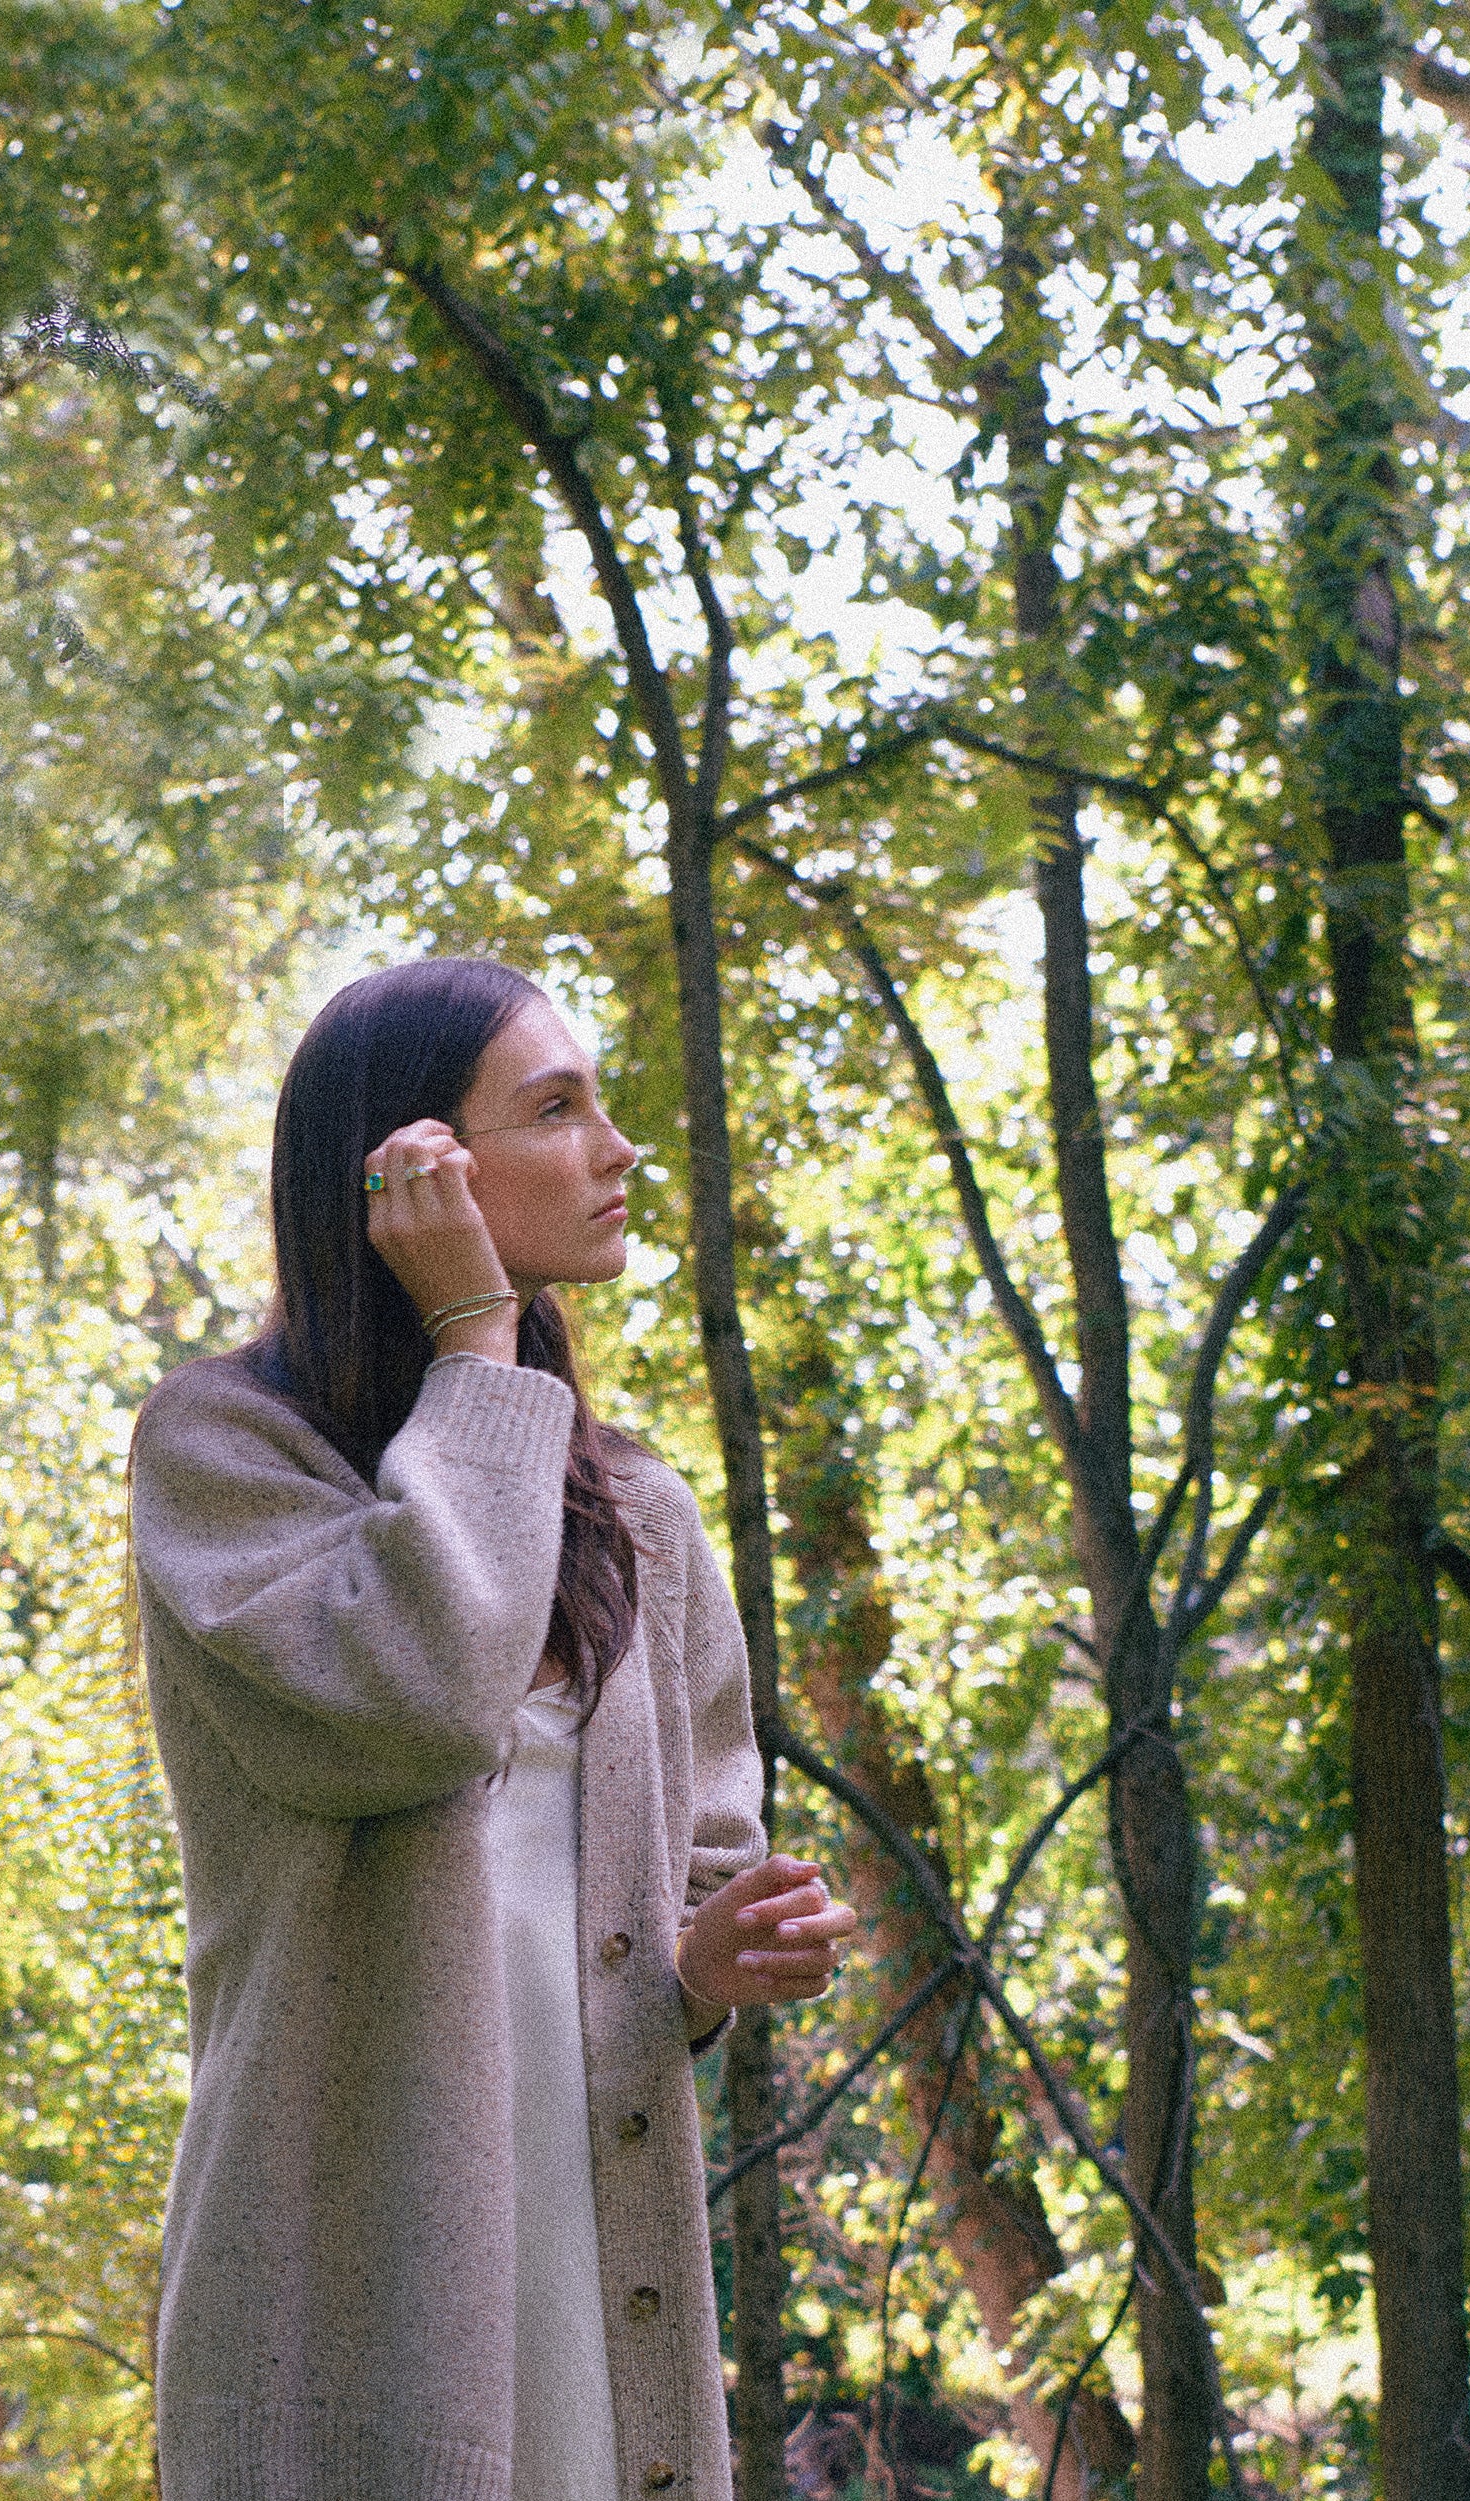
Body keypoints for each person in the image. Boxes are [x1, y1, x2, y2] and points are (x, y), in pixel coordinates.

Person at [130, 957, 857, 2501]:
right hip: (343, 2296)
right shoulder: (221, 1450)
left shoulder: (644, 1517)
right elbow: (423, 1695)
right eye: (557, 1107)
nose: (617, 1147)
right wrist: (475, 1338)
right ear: (413, 1172)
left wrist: (711, 1963)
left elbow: (691, 1881)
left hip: (602, 2257)